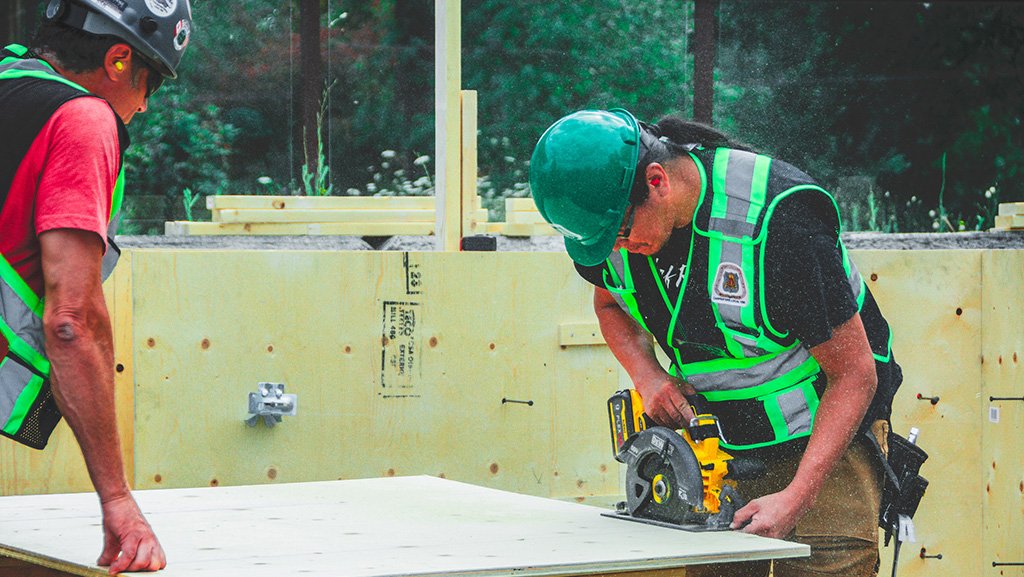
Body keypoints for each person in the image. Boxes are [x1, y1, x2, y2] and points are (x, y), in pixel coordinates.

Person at [530, 109, 902, 577]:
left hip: (826, 439)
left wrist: (797, 495)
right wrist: (648, 377)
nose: (619, 249)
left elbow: (854, 375)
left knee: (826, 564)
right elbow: (610, 306)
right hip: (719, 450)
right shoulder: (621, 237)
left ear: (657, 180)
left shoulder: (779, 222)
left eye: (622, 232)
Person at [0, 0, 192, 573]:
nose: (143, 106)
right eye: (148, 86)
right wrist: (117, 501)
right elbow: (70, 321)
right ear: (117, 59)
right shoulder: (81, 120)